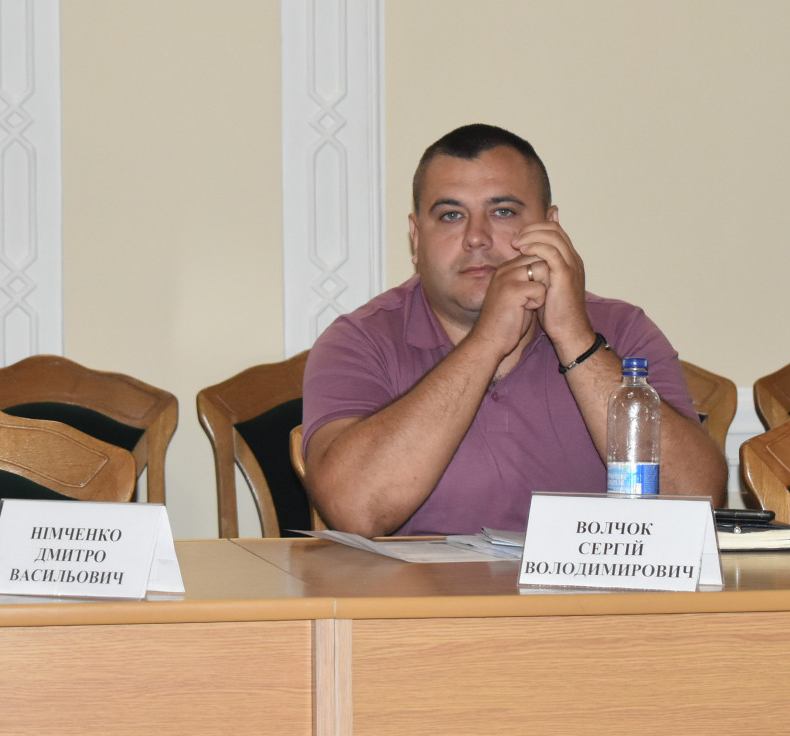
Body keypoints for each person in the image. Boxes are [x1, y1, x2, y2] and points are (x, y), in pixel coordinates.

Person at [302, 123, 726, 536]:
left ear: (551, 227)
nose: (476, 238)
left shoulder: (623, 329)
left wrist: (576, 339)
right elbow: (356, 513)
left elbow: (696, 503)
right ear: (416, 238)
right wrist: (487, 342)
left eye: (502, 212)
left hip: (590, 587)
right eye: (451, 216)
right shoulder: (360, 341)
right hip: (419, 587)